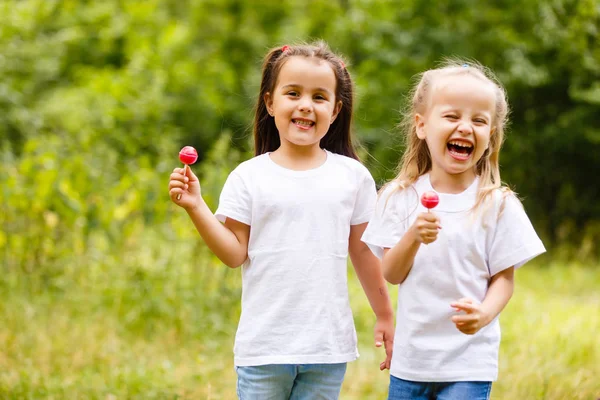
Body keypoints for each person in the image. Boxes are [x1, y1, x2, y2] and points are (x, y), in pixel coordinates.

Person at [168, 41, 394, 399]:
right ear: (271, 102)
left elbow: (365, 254)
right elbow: (233, 253)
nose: (306, 105)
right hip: (265, 348)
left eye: (319, 97)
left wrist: (384, 314)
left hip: (326, 348)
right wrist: (197, 206)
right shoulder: (249, 177)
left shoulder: (353, 177)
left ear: (335, 111)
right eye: (293, 93)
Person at [361, 60, 546, 400]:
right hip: (411, 362)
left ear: (490, 135)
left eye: (478, 120)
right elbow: (391, 273)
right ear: (421, 126)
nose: (465, 127)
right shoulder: (398, 198)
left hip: (468, 363)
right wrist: (413, 236)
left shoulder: (497, 204)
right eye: (451, 116)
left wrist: (485, 313)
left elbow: (503, 280)